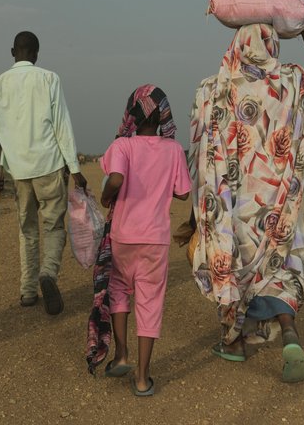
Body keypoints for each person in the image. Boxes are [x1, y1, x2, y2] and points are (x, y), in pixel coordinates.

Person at [188, 16, 304, 382]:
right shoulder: (294, 82)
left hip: (231, 208)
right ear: (273, 45)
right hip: (276, 206)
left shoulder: (211, 89)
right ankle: (289, 332)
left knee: (232, 264)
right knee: (278, 268)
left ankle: (234, 342)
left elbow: (199, 151)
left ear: (236, 46)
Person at [0, 31, 87, 315]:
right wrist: (74, 168)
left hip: (17, 169)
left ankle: (28, 291)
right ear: (36, 54)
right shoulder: (49, 79)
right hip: (48, 166)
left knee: (27, 230)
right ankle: (48, 273)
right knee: (53, 226)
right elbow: (62, 124)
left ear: (12, 51)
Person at [99, 85, 190, 396]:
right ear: (163, 114)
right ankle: (142, 378)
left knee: (119, 289)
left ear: (132, 114)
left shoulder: (122, 146)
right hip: (156, 239)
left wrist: (106, 195)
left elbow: (116, 178)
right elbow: (183, 192)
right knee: (150, 302)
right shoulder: (174, 150)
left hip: (124, 234)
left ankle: (121, 354)